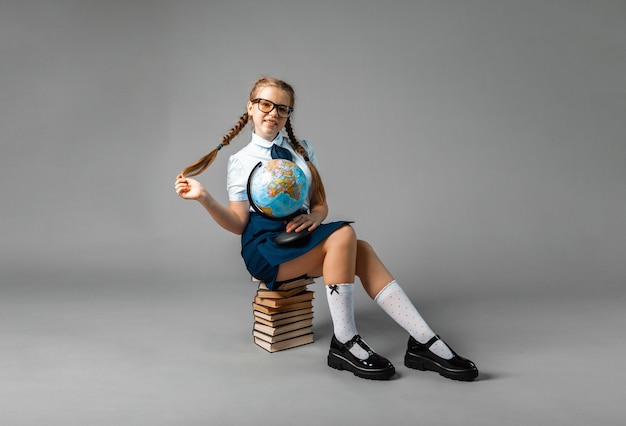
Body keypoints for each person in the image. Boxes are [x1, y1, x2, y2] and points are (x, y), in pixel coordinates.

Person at [174, 76, 478, 381]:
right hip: (265, 246)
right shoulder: (240, 160)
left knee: (362, 250)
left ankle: (423, 340)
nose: (273, 113)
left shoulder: (302, 150)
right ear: (250, 108)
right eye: (265, 104)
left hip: (300, 236)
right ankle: (344, 341)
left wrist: (316, 218)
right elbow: (238, 222)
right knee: (346, 234)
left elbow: (319, 204)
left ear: (288, 114)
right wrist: (204, 198)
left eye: (282, 108)